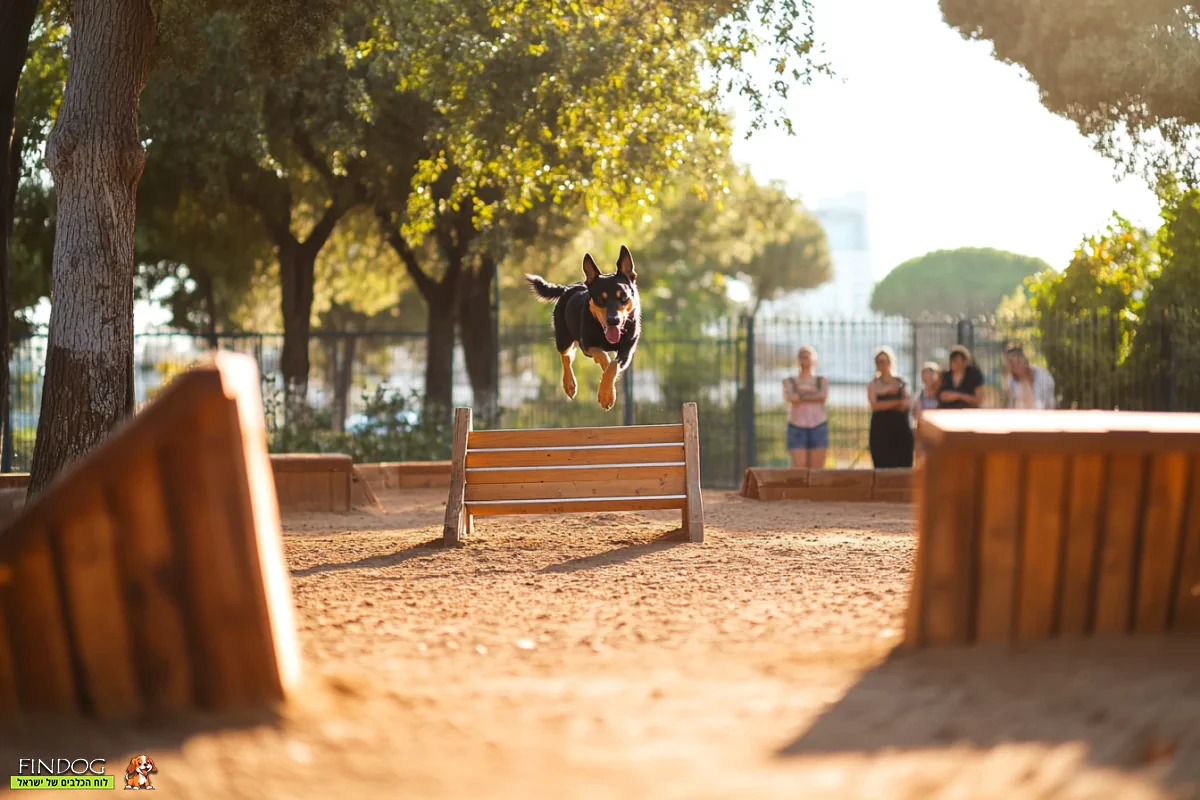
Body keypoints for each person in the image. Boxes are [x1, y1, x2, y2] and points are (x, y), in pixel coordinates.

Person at [867, 346, 914, 468]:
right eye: (879, 362)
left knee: (902, 463)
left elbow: (905, 403)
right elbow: (875, 405)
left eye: (885, 361)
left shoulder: (901, 381)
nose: (882, 364)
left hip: (900, 428)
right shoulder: (873, 383)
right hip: (881, 429)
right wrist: (895, 401)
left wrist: (884, 396)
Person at [783, 345, 829, 469]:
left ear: (814, 360)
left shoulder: (822, 380)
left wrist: (801, 393)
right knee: (799, 469)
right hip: (796, 427)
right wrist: (813, 392)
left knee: (817, 469)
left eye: (807, 357)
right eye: (802, 357)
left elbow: (823, 396)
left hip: (818, 426)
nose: (805, 360)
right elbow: (792, 398)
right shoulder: (789, 380)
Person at [1004, 345, 1056, 409]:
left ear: (1024, 362)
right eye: (1009, 364)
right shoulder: (1011, 381)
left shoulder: (1044, 377)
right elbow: (1011, 407)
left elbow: (1050, 405)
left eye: (1012, 364)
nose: (1010, 368)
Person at [937, 344, 984, 409]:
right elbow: (941, 396)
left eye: (958, 362)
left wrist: (959, 396)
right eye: (953, 361)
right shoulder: (945, 376)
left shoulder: (974, 375)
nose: (955, 365)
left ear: (965, 362)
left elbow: (978, 400)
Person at [912, 361, 941, 427]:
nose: (928, 377)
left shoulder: (941, 395)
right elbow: (916, 416)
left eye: (930, 374)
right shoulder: (919, 396)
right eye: (925, 374)